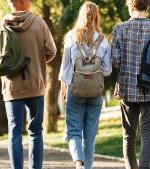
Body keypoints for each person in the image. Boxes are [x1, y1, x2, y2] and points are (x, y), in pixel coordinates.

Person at [0, 0, 57, 168]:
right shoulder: (39, 23)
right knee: (35, 132)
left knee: (14, 133)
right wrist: (37, 63)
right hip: (35, 84)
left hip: (11, 87)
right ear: (23, 2)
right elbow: (52, 51)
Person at [111, 0, 150, 168]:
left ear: (130, 7)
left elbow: (115, 61)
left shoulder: (119, 29)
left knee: (128, 134)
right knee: (148, 132)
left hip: (127, 88)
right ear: (147, 7)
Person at [58, 2, 112, 169]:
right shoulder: (103, 41)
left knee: (73, 131)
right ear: (97, 17)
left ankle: (78, 163)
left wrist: (63, 86)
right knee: (90, 136)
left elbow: (65, 67)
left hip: (75, 90)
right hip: (95, 92)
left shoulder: (70, 37)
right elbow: (108, 70)